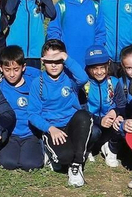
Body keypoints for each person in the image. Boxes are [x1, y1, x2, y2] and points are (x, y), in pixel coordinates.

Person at [32, 40, 92, 187]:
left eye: (58, 60)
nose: (54, 65)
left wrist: (67, 58)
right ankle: (50, 151)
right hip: (53, 128)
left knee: (85, 117)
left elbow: (84, 78)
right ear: (42, 61)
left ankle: (77, 165)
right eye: (49, 61)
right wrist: (49, 128)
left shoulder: (70, 79)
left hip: (71, 124)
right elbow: (32, 114)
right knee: (64, 157)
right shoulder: (37, 83)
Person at [48, 0, 105, 80]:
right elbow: (54, 31)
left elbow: (100, 33)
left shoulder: (95, 6)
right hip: (67, 64)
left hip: (89, 64)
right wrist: (58, 54)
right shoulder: (61, 5)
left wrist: (95, 56)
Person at [0, 47, 44, 170]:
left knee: (31, 164)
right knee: (7, 163)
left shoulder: (34, 83)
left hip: (30, 133)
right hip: (10, 134)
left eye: (16, 69)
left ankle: (42, 147)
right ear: (1, 68)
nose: (11, 74)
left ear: (23, 67)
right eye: (7, 70)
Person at [82, 46, 128, 167]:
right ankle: (88, 149)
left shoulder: (114, 82)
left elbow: (122, 104)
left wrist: (115, 112)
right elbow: (82, 111)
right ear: (88, 69)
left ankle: (111, 148)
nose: (99, 72)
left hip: (110, 121)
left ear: (108, 65)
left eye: (102, 67)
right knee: (94, 132)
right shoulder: (84, 84)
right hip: (94, 122)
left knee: (121, 124)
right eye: (95, 68)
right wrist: (99, 120)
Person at [3, 0, 56, 71]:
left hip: (34, 53)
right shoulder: (15, 2)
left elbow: (52, 13)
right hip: (15, 52)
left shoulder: (39, 3)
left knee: (32, 81)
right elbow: (8, 10)